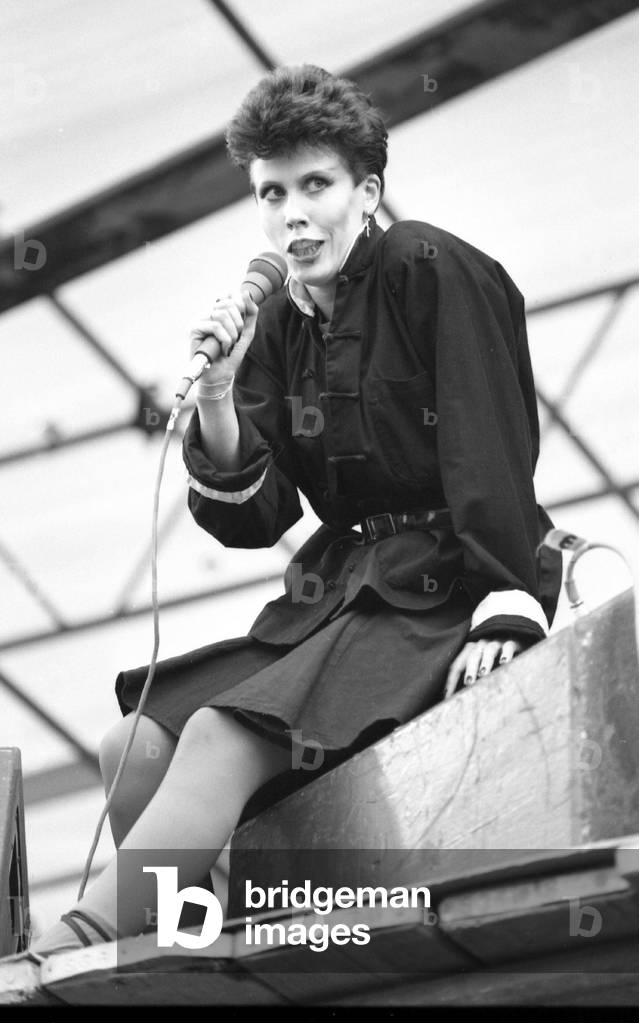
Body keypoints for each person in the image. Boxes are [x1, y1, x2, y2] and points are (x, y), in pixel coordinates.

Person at [19, 64, 562, 958]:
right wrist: (223, 396)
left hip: (440, 588)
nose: (291, 214)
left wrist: (508, 593)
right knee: (132, 743)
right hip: (338, 591)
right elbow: (254, 514)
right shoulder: (274, 321)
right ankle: (196, 940)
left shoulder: (428, 265)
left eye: (316, 185)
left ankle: (76, 945)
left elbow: (487, 440)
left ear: (367, 192)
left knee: (223, 733)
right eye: (272, 193)